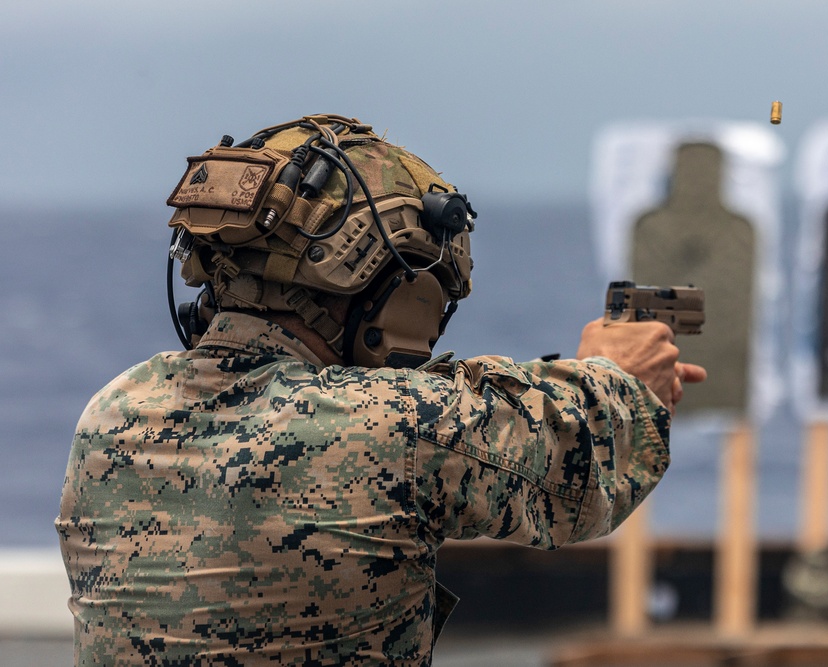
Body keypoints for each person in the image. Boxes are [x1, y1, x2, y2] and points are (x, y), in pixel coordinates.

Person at [56, 114, 707, 666]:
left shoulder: (114, 413)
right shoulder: (400, 427)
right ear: (396, 294)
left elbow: (369, 411)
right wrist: (619, 377)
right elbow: (583, 470)